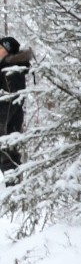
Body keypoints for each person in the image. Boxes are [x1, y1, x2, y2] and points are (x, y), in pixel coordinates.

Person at [0, 35, 29, 174]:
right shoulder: (5, 68)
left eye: (0, 48)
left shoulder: (12, 71)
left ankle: (13, 192)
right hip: (7, 123)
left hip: (7, 124)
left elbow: (13, 100)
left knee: (7, 158)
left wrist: (2, 125)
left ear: (9, 51)